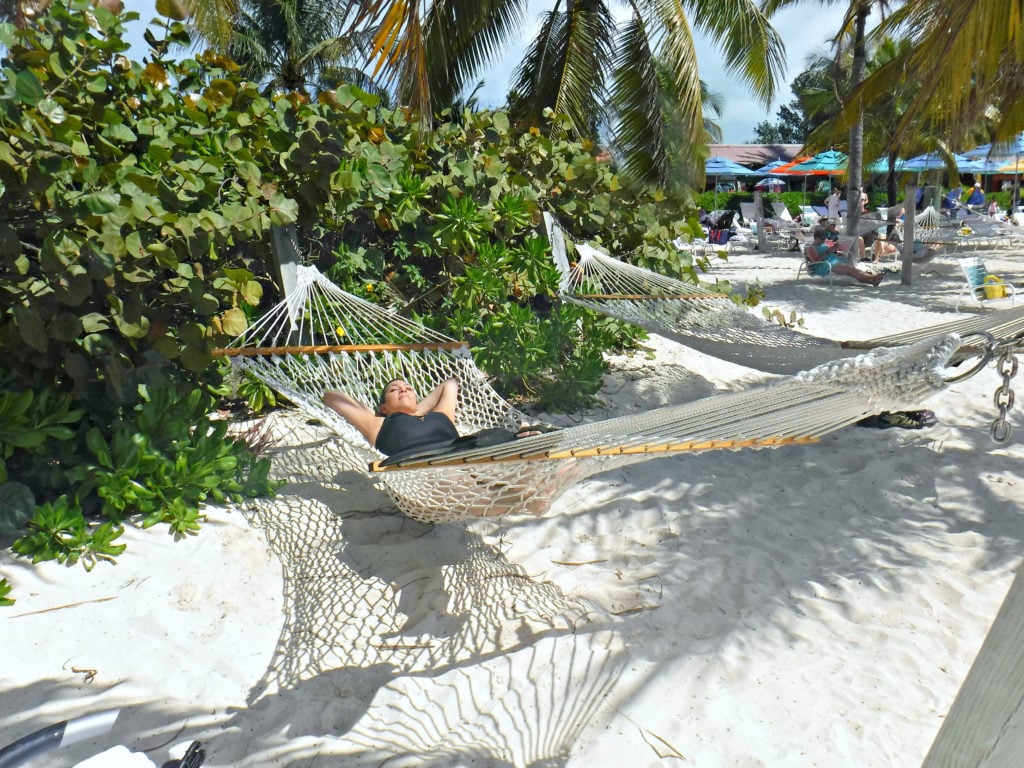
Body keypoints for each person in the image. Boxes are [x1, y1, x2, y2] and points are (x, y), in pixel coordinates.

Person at [323, 378, 544, 458]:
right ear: (384, 406)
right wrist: (378, 413)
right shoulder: (378, 423)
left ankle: (524, 439)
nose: (403, 390)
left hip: (466, 454)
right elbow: (331, 397)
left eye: (409, 388)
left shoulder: (439, 416)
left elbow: (450, 385)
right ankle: (524, 439)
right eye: (395, 390)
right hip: (425, 467)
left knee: (493, 435)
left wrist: (417, 410)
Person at [805, 226, 882, 285]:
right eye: (822, 239)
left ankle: (872, 282)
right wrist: (829, 251)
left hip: (834, 261)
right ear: (816, 238)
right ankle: (874, 277)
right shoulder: (811, 248)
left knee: (851, 271)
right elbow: (816, 261)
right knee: (851, 270)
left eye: (824, 238)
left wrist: (835, 248)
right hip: (825, 266)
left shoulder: (823, 244)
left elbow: (830, 252)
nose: (823, 240)